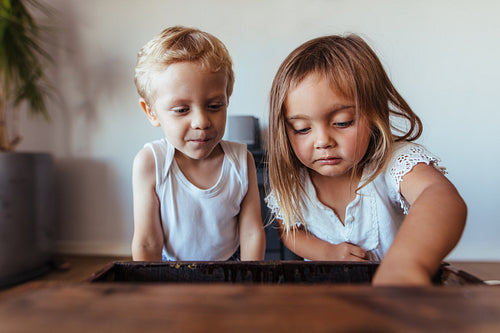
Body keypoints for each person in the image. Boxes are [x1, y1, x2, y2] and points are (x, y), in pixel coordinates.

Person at [266, 34, 466, 285]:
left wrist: (406, 266)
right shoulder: (295, 181)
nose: (322, 141)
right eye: (302, 128)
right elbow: (289, 231)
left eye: (342, 122)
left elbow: (439, 196)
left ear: (373, 115)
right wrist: (327, 253)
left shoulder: (393, 161)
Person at [132, 26, 265, 261]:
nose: (202, 122)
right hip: (170, 271)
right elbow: (147, 242)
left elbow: (252, 233)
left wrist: (250, 285)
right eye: (182, 110)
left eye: (214, 106)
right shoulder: (151, 163)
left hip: (230, 268)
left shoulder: (242, 161)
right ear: (151, 112)